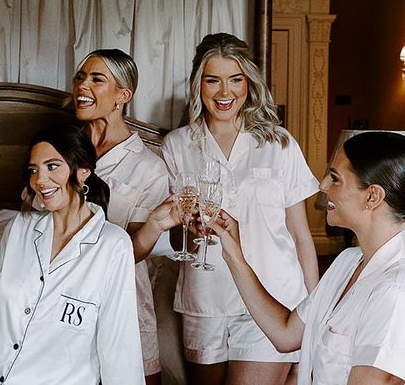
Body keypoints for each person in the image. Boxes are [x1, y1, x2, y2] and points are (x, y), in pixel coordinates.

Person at [0, 124, 159, 385]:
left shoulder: (113, 245)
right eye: (33, 170)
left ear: (82, 173)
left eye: (52, 166)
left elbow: (119, 344)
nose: (39, 180)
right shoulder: (22, 227)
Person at [162, 33, 318, 385]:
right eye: (212, 80)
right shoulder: (177, 145)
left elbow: (300, 235)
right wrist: (187, 227)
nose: (224, 93)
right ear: (197, 84)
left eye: (235, 80)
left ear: (249, 83)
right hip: (204, 298)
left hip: (273, 299)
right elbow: (172, 233)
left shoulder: (278, 143)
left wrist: (315, 310)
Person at [212, 131, 405, 384]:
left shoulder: (394, 290)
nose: (322, 185)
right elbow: (285, 334)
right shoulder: (348, 262)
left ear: (372, 196)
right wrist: (233, 252)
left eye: (335, 179)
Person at [71, 48, 171, 383]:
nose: (83, 85)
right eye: (81, 77)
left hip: (123, 299)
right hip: (65, 298)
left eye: (97, 79)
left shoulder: (149, 167)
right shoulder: (60, 151)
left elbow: (138, 250)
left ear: (123, 95)